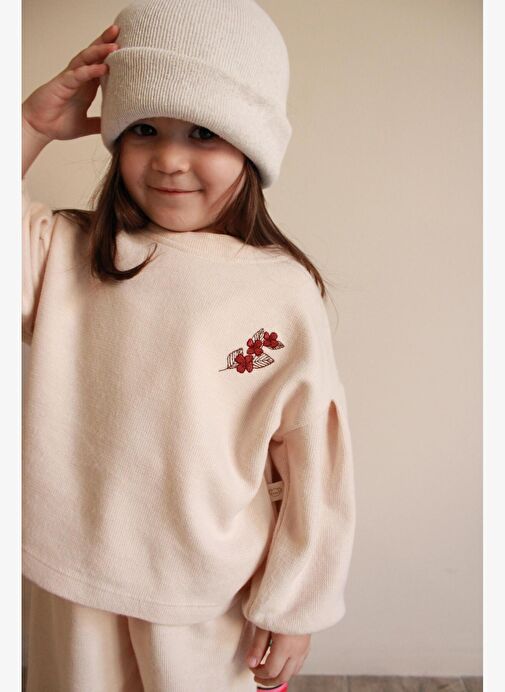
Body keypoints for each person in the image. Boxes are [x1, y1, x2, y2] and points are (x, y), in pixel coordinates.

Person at [21, 1, 356, 690]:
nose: (170, 159)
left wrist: (295, 605)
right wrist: (29, 128)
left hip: (208, 595)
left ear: (251, 146)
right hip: (72, 578)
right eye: (143, 128)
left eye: (204, 132)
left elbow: (311, 460)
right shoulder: (65, 253)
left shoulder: (281, 290)